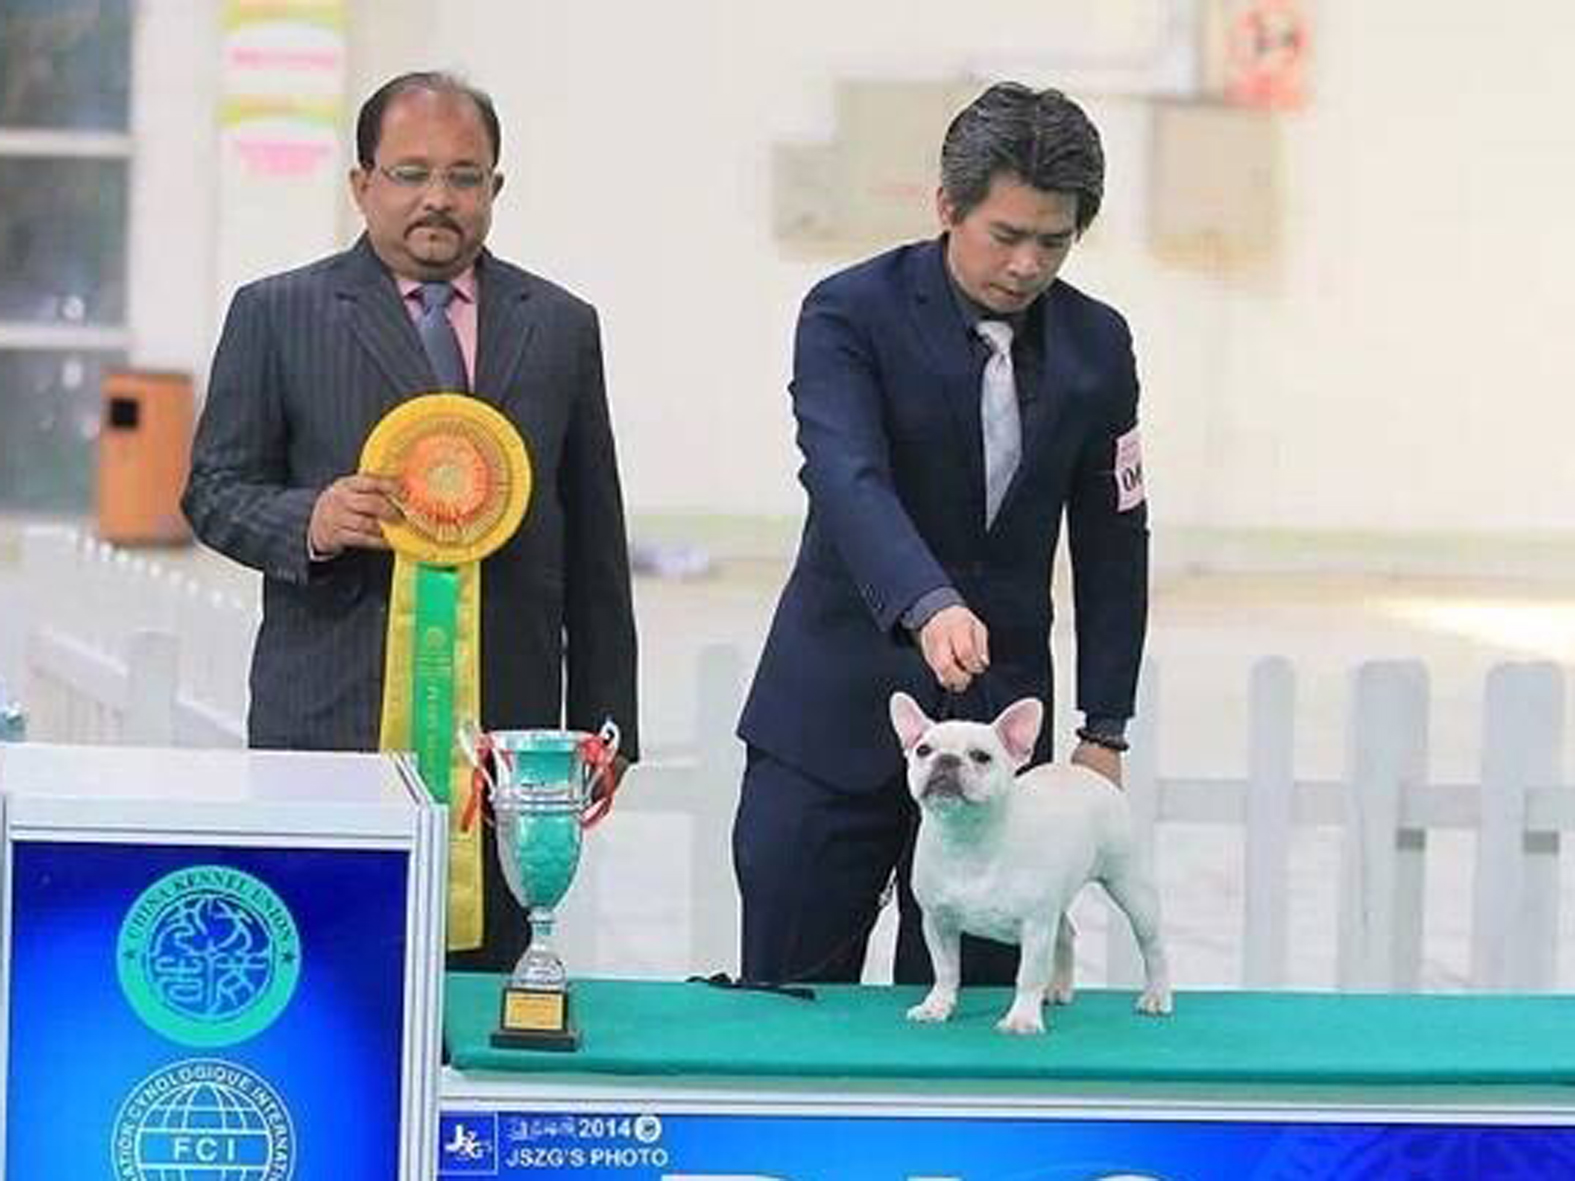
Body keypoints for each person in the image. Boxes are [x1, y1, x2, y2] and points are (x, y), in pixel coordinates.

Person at [183, 71, 639, 973]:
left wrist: (604, 722)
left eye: (464, 176)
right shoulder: (275, 313)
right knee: (324, 974)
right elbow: (213, 490)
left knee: (483, 980)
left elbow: (594, 540)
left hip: (504, 738)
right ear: (362, 184)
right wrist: (311, 517)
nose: (438, 198)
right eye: (410, 173)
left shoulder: (560, 326)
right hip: (327, 722)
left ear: (495, 187)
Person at [733, 82, 1148, 988]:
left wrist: (1104, 727)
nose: (1026, 264)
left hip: (998, 754)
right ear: (945, 207)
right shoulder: (846, 313)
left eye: (1054, 241)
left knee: (980, 1021)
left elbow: (1115, 540)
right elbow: (847, 479)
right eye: (1006, 235)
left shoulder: (1098, 346)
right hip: (829, 723)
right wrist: (926, 603)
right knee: (789, 1003)